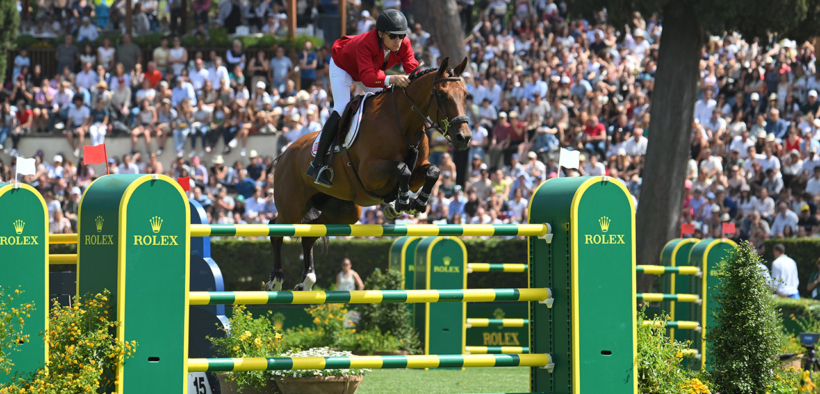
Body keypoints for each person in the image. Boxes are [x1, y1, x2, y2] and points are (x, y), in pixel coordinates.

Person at [306, 9, 418, 188]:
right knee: (342, 108)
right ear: (380, 33)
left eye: (402, 36)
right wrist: (392, 78)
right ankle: (317, 164)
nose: (399, 41)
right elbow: (366, 78)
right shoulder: (366, 43)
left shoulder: (403, 43)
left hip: (369, 70)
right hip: (343, 66)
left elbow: (412, 68)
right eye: (394, 36)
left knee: (388, 102)